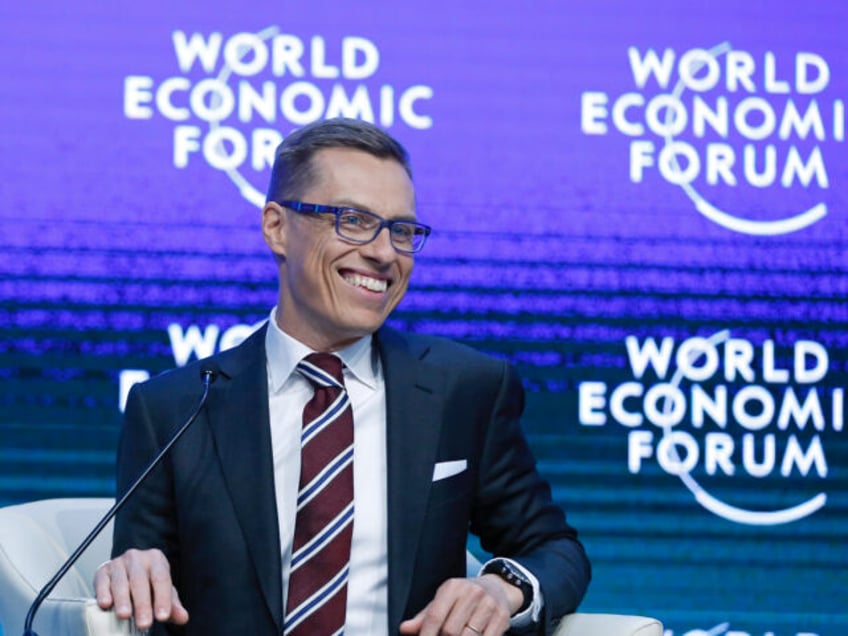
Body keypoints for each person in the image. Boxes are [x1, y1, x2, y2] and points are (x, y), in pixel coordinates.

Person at [94, 118, 590, 635]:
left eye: (401, 230)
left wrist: (499, 587)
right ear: (276, 227)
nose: (383, 252)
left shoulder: (463, 390)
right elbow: (142, 569)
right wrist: (133, 570)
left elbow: (555, 549)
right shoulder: (175, 408)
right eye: (353, 220)